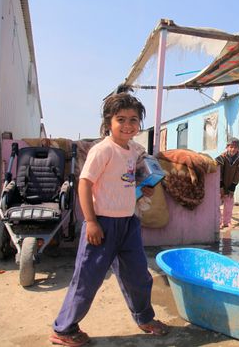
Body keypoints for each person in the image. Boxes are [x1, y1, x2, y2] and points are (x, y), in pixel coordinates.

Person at [50, 93, 169, 346]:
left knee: (138, 276)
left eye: (134, 120)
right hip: (102, 224)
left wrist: (141, 190)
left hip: (128, 224)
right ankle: (64, 329)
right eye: (121, 119)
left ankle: (144, 317)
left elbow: (121, 186)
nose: (128, 125)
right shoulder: (102, 150)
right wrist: (90, 222)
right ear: (109, 122)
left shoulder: (132, 151)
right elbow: (85, 184)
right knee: (87, 280)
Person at [215, 137, 239, 228]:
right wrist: (220, 186)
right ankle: (218, 222)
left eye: (235, 147)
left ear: (238, 149)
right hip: (219, 184)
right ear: (227, 147)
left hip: (230, 185)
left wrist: (233, 187)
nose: (233, 149)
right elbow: (218, 173)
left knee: (229, 204)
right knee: (217, 204)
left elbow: (238, 174)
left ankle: (227, 221)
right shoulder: (221, 158)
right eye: (231, 147)